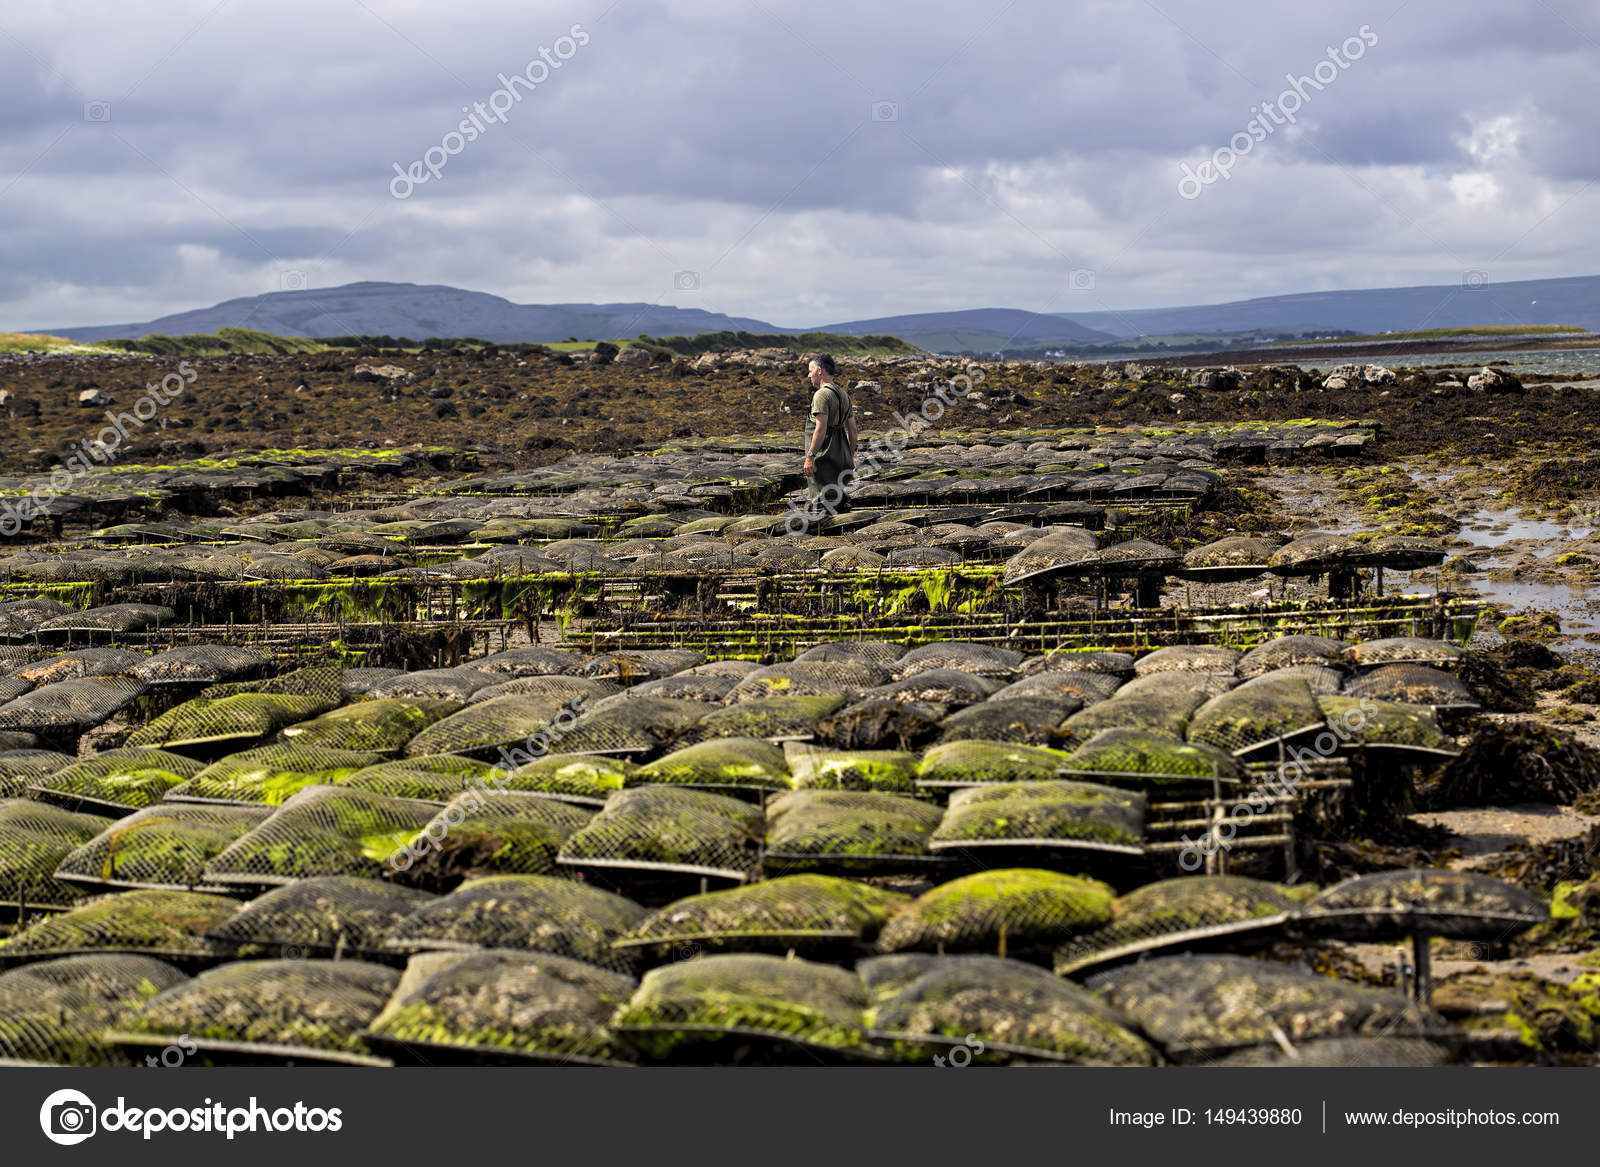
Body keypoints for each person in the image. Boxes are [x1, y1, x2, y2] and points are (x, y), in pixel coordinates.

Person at [802, 353, 856, 512]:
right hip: (842, 456)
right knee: (837, 502)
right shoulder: (844, 394)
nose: (808, 375)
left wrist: (810, 457)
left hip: (823, 458)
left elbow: (820, 428)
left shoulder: (821, 395)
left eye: (810, 371)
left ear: (819, 371)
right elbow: (853, 429)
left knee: (821, 505)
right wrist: (850, 456)